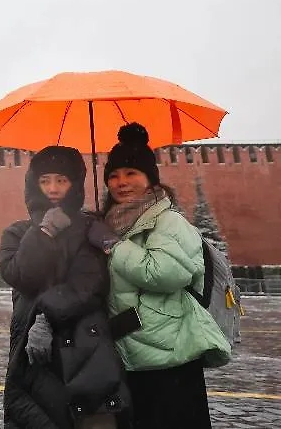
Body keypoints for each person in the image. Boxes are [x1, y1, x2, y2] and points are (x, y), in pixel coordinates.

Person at [86, 123, 230, 429]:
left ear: (150, 178)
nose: (120, 182)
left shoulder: (167, 222)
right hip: (130, 356)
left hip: (170, 360)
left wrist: (112, 244)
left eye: (130, 173)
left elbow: (165, 273)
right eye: (113, 175)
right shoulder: (111, 224)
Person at [0, 145, 131, 428]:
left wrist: (45, 317)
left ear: (75, 184)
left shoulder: (91, 230)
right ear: (34, 184)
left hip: (85, 349)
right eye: (45, 180)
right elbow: (20, 275)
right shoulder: (18, 233)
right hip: (32, 352)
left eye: (61, 179)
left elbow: (90, 284)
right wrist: (44, 233)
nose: (53, 188)